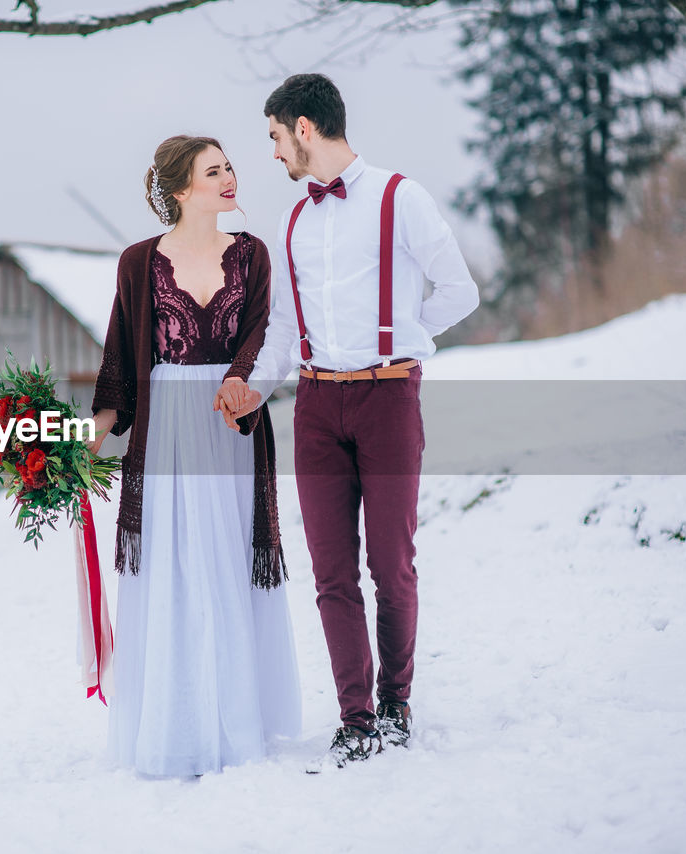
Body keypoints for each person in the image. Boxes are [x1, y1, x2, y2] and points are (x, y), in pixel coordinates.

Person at [218, 74, 480, 767]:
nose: (272, 153)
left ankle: (396, 703)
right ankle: (355, 718)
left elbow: (460, 290)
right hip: (314, 405)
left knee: (392, 566)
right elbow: (282, 328)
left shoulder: (401, 197)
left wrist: (402, 339)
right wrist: (250, 385)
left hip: (389, 401)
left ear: (305, 128)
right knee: (332, 572)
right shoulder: (294, 220)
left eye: (275, 136)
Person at [88, 135, 301, 777]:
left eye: (231, 166)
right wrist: (89, 434)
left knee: (227, 568)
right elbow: (120, 364)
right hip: (167, 436)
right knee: (174, 575)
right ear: (181, 190)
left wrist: (244, 386)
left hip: (232, 428)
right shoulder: (138, 263)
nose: (232, 177)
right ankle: (172, 731)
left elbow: (266, 332)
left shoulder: (254, 255)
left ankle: (235, 729)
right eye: (215, 171)